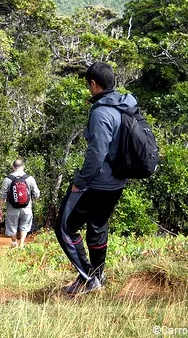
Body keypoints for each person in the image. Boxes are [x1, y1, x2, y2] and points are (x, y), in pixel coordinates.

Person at [54, 62, 136, 296]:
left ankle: (90, 277)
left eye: (88, 84)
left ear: (93, 84)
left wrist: (80, 180)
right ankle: (97, 276)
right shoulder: (124, 105)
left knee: (65, 227)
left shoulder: (101, 112)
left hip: (97, 182)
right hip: (118, 182)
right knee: (97, 226)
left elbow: (97, 153)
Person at [0, 159, 40, 249]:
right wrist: (32, 200)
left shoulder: (7, 179)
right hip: (27, 207)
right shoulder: (30, 178)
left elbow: (2, 195)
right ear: (23, 166)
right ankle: (22, 244)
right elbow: (36, 193)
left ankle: (14, 243)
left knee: (12, 226)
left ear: (13, 167)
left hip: (12, 208)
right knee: (24, 226)